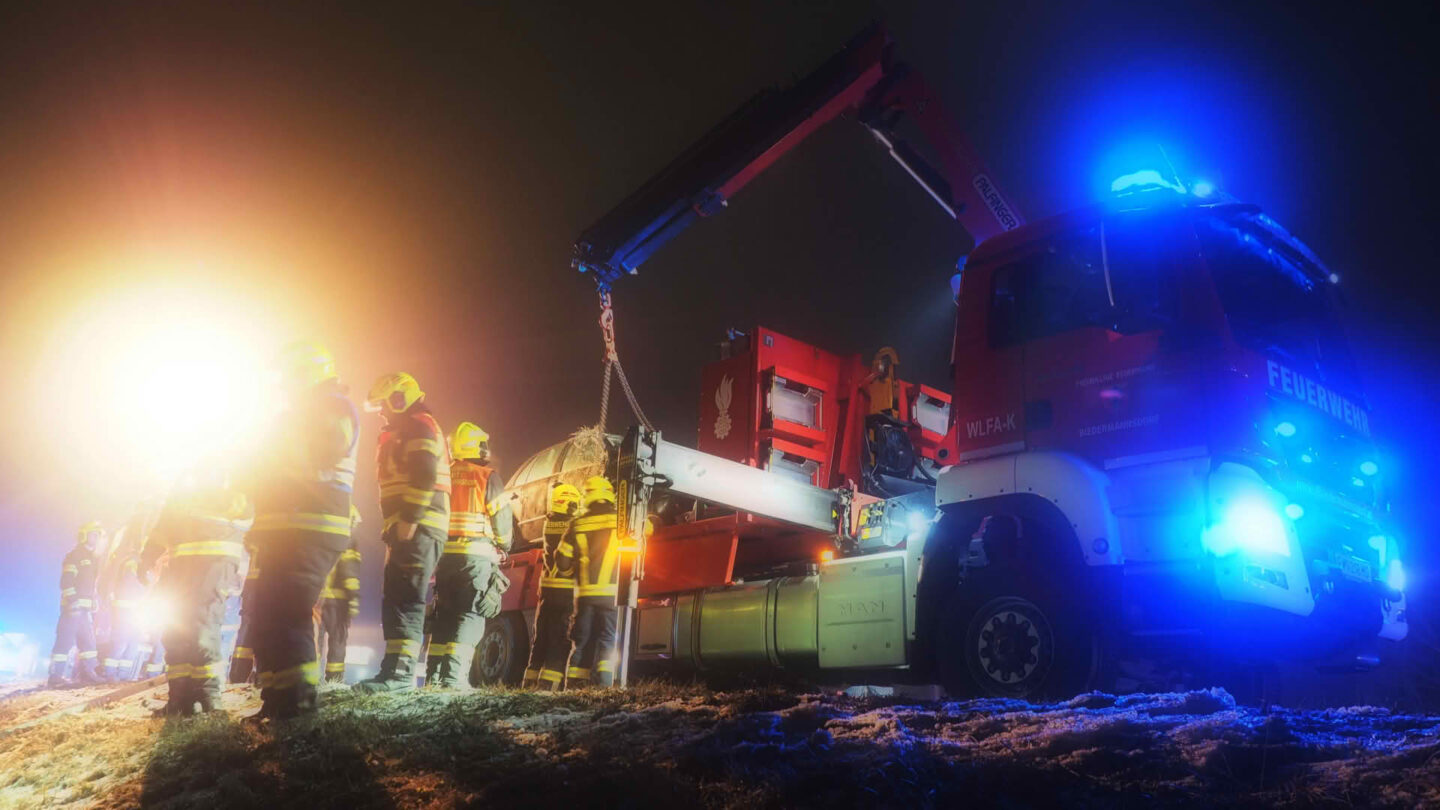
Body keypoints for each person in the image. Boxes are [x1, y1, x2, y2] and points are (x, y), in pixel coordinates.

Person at [248, 340, 360, 718]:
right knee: (267, 615)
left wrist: (280, 445)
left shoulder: (333, 404)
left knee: (290, 614)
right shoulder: (294, 413)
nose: (284, 385)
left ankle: (299, 703)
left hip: (311, 525)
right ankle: (276, 700)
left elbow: (329, 447)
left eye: (289, 377)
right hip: (285, 527)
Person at [355, 372, 449, 694]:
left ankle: (400, 676)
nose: (382, 412)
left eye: (384, 404)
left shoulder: (418, 425)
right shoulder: (407, 428)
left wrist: (408, 519)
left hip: (417, 526)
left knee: (407, 599)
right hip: (408, 527)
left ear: (399, 398)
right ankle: (392, 671)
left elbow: (424, 475)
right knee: (396, 599)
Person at [142, 471, 254, 716]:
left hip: (214, 568)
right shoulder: (187, 493)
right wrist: (147, 557)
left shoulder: (234, 491)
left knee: (203, 629)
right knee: (175, 632)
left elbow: (250, 520)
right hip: (183, 570)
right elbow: (164, 527)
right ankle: (180, 700)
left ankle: (208, 697)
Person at [426, 422, 512, 689]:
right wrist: (504, 544)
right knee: (469, 617)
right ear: (476, 447)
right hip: (474, 559)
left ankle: (433, 679)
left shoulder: (443, 476)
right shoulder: (486, 477)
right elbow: (503, 521)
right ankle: (454, 680)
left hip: (443, 560)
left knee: (444, 618)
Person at [566, 477, 622, 689]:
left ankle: (573, 686)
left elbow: (562, 560)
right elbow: (647, 531)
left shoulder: (577, 523)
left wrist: (569, 570)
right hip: (612, 594)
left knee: (582, 641)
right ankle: (605, 685)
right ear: (609, 493)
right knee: (608, 639)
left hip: (585, 596)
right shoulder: (621, 520)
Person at [523, 483, 580, 690]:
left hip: (547, 590)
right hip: (564, 591)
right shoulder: (571, 526)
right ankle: (549, 687)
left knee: (541, 639)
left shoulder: (551, 523)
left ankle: (529, 683)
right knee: (559, 639)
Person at [48, 522, 105, 688]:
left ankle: (89, 673)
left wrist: (94, 601)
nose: (95, 538)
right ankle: (55, 675)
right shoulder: (74, 555)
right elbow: (66, 581)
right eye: (92, 534)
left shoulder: (93, 558)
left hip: (85, 610)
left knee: (88, 643)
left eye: (97, 535)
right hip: (72, 609)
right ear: (84, 536)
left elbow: (91, 585)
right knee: (64, 641)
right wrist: (72, 602)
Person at [316, 506, 363, 683]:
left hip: (317, 600)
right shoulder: (348, 540)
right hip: (338, 603)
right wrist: (353, 600)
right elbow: (350, 572)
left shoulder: (322, 537)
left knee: (315, 643)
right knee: (337, 643)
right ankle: (334, 682)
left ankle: (311, 682)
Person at [101, 544, 147, 681]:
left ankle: (123, 675)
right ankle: (110, 673)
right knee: (121, 643)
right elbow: (133, 582)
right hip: (124, 610)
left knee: (133, 643)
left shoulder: (135, 563)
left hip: (134, 611)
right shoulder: (131, 563)